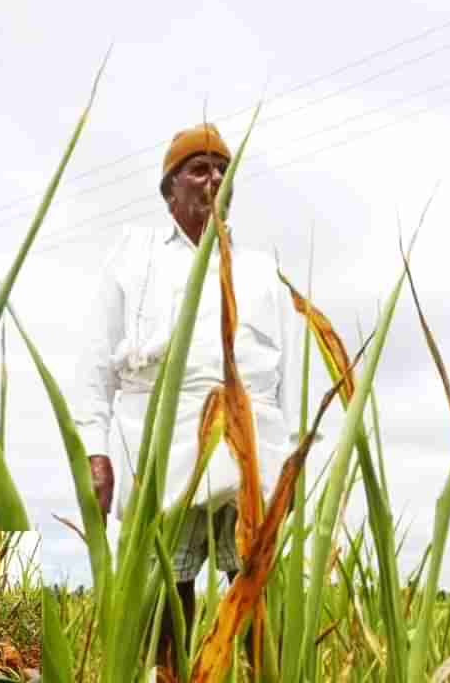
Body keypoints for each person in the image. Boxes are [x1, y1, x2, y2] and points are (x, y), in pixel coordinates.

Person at [70, 123, 295, 668]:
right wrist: (94, 452)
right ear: (170, 189)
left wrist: (291, 458)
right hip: (164, 445)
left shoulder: (262, 270)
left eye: (223, 170)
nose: (214, 178)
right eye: (199, 169)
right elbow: (96, 364)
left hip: (251, 447)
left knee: (256, 585)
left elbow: (285, 372)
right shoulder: (133, 258)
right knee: (168, 587)